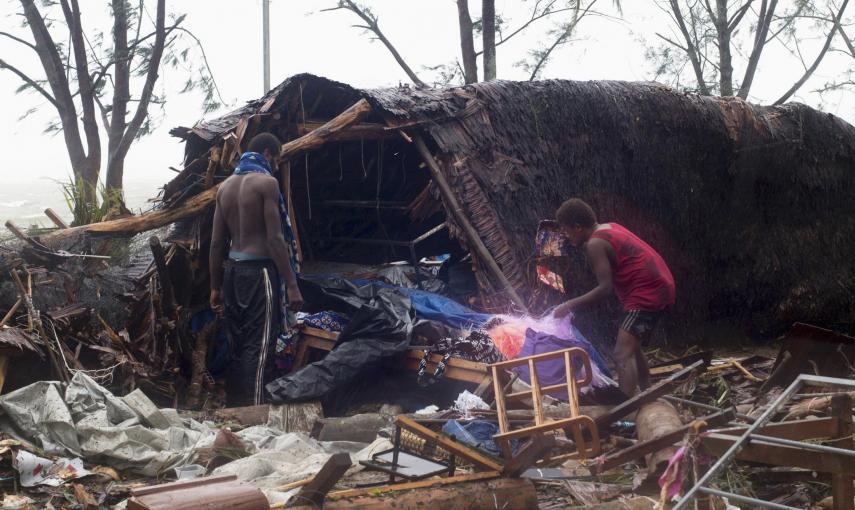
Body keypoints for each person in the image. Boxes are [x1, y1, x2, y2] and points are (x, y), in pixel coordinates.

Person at [209, 132, 304, 406]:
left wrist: (215, 287)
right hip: (259, 273)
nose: (277, 165)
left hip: (232, 273)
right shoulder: (267, 184)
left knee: (238, 343)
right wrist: (293, 285)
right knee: (260, 345)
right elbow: (275, 239)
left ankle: (235, 407)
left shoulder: (224, 188)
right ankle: (254, 412)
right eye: (278, 159)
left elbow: (216, 244)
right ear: (268, 153)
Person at [553, 198, 675, 397]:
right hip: (659, 284)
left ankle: (623, 407)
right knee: (632, 347)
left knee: (620, 354)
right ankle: (648, 394)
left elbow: (605, 288)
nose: (566, 236)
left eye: (566, 230)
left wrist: (569, 305)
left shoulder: (594, 244)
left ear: (577, 227)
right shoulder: (609, 227)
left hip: (647, 292)